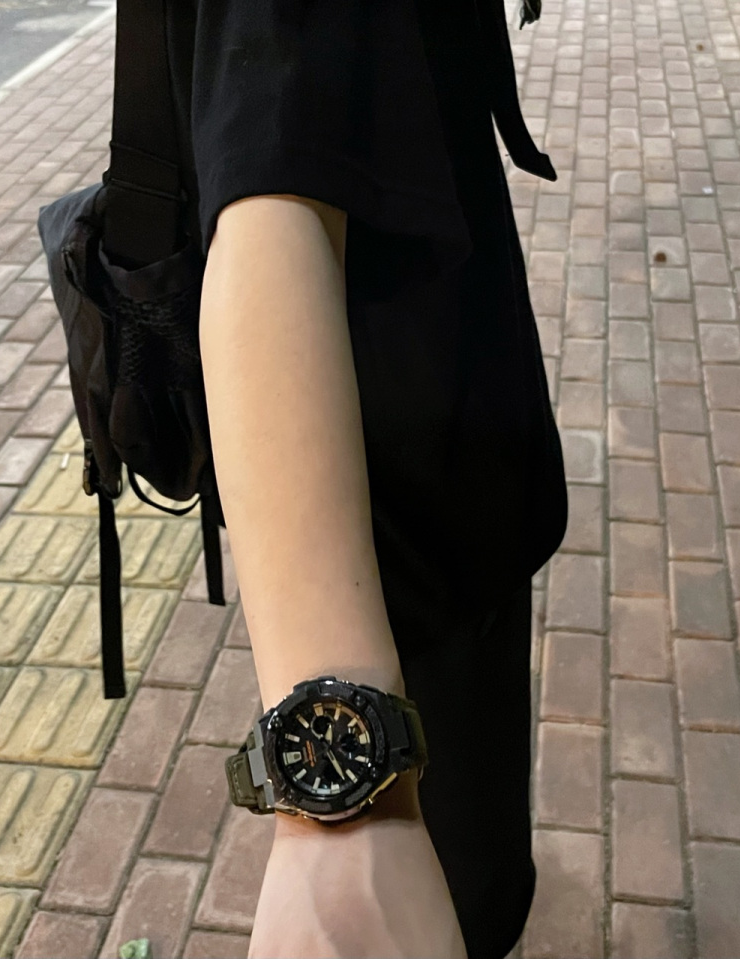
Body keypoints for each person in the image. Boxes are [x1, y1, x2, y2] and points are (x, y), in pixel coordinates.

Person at [166, 0, 568, 955]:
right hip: (404, 520)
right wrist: (344, 833)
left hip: (420, 475)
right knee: (468, 890)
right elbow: (271, 186)